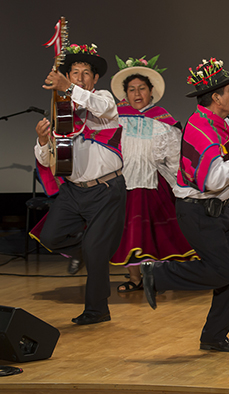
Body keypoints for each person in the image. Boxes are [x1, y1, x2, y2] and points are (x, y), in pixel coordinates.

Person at [140, 58, 229, 352]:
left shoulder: (216, 123)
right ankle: (157, 275)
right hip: (199, 212)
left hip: (222, 211)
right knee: (223, 272)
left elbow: (228, 144)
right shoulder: (200, 129)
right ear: (216, 97)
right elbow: (213, 179)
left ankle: (214, 336)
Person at [34, 43, 125, 325]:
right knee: (49, 238)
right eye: (75, 73)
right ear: (68, 75)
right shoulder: (61, 109)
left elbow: (100, 107)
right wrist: (41, 141)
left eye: (87, 73)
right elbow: (48, 157)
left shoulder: (104, 100)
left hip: (105, 190)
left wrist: (70, 88)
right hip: (73, 190)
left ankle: (97, 310)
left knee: (97, 251)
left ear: (95, 79)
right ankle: (86, 251)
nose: (81, 77)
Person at [109, 55, 196, 293]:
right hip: (123, 183)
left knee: (156, 232)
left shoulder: (164, 122)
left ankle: (158, 278)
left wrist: (182, 185)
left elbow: (174, 158)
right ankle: (135, 278)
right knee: (127, 234)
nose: (137, 94)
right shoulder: (114, 119)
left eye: (142, 89)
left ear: (151, 92)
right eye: (132, 89)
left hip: (153, 184)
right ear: (125, 94)